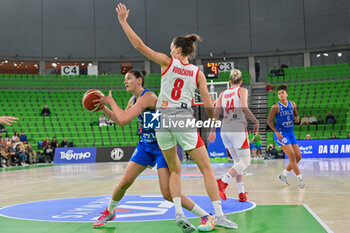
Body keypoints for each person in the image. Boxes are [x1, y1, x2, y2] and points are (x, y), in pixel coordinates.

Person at [113, 3, 237, 231]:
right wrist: (215, 117)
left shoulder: (166, 63)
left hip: (162, 119)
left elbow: (139, 45)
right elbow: (209, 107)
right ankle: (218, 215)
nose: (170, 51)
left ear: (178, 50)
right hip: (182, 118)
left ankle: (179, 212)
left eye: (172, 48)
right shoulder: (197, 73)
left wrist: (123, 21)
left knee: (175, 168)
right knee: (207, 169)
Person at [93, 70, 213, 231]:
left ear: (139, 80)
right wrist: (104, 109)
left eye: (128, 78)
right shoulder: (133, 100)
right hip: (145, 146)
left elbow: (123, 118)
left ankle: (206, 215)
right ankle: (109, 211)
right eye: (124, 79)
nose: (125, 82)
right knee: (124, 182)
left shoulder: (149, 97)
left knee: (167, 194)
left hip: (163, 147)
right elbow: (121, 122)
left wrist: (110, 102)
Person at [209, 69, 259, 202]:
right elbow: (243, 107)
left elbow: (216, 113)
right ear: (241, 81)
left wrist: (213, 130)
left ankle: (241, 193)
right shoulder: (242, 90)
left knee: (238, 163)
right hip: (237, 127)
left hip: (224, 129)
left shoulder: (222, 94)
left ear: (230, 81)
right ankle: (223, 182)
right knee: (245, 161)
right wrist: (255, 120)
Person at [267, 85, 305, 188]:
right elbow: (269, 121)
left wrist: (297, 118)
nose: (281, 95)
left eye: (283, 93)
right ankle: (300, 180)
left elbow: (296, 114)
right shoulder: (275, 107)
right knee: (292, 156)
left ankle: (283, 175)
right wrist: (276, 132)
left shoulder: (292, 104)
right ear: (278, 96)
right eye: (279, 93)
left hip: (291, 133)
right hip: (281, 134)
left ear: (286, 94)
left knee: (298, 157)